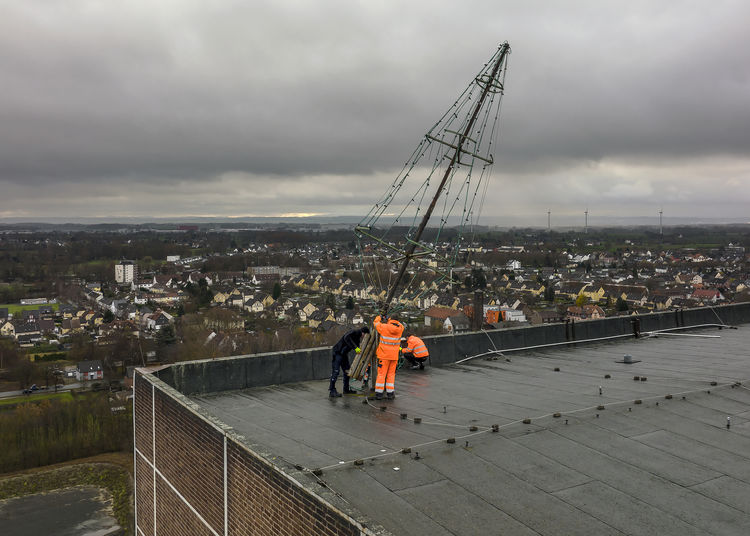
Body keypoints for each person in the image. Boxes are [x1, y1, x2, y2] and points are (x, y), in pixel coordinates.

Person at [329, 326, 370, 397]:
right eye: (365, 335)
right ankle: (332, 390)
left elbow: (357, 348)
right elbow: (346, 337)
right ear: (363, 333)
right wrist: (355, 348)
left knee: (347, 371)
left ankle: (346, 389)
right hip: (337, 352)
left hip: (343, 354)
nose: (364, 337)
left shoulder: (357, 339)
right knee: (336, 372)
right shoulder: (354, 332)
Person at [373, 314, 405, 400]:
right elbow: (399, 324)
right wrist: (390, 320)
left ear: (390, 319)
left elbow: (376, 323)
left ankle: (379, 393)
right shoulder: (401, 328)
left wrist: (380, 317)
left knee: (381, 374)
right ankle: (390, 393)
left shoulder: (384, 327)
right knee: (391, 375)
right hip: (394, 356)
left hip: (384, 355)